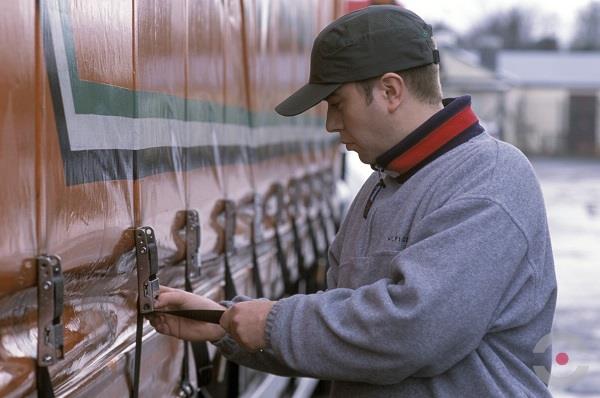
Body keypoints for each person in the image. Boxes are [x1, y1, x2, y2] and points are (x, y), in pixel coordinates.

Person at [149, 6, 557, 397]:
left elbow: (413, 333)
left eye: (337, 103)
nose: (331, 124)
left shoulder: (489, 179)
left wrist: (271, 323)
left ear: (390, 91)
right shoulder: (380, 185)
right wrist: (223, 323)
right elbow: (345, 345)